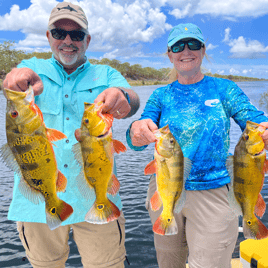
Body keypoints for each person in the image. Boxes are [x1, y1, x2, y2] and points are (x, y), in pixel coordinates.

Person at [3, 2, 140, 268]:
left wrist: (124, 98)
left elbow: (132, 100)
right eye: (59, 33)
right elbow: (14, 80)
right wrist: (16, 78)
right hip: (37, 207)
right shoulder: (31, 67)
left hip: (96, 199)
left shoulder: (106, 73)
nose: (68, 41)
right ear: (48, 37)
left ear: (87, 40)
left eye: (76, 35)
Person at [126, 23, 268, 268]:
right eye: (178, 46)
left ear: (203, 50)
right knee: (169, 262)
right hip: (165, 186)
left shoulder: (225, 89)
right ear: (170, 54)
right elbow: (138, 136)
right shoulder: (161, 96)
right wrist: (135, 132)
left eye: (193, 44)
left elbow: (253, 119)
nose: (186, 50)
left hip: (213, 191)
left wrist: (264, 127)